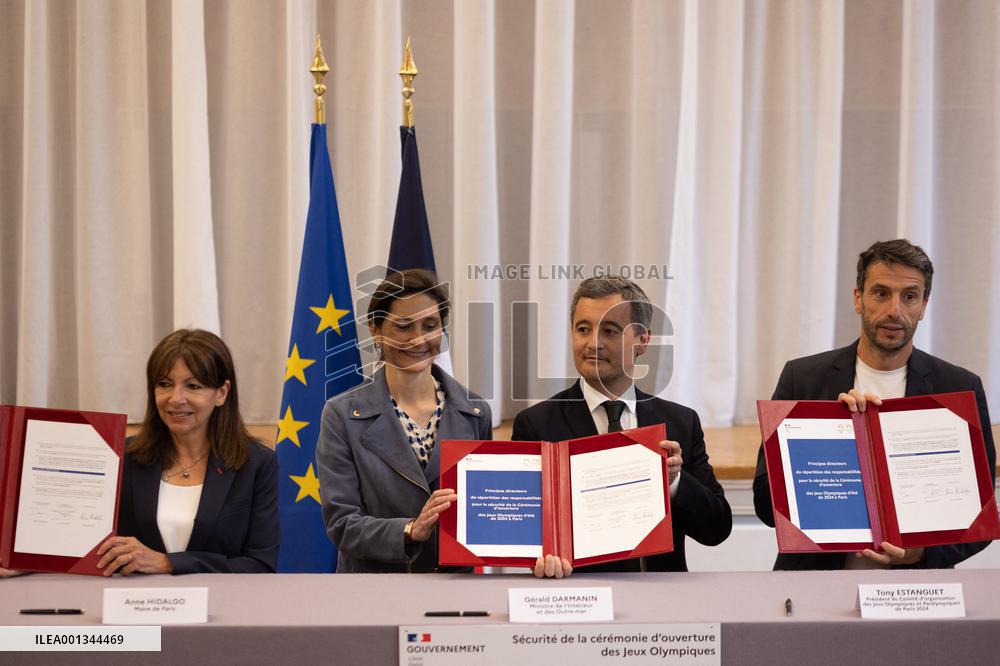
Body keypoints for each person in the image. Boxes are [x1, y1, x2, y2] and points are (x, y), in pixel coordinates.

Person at [753, 238, 996, 569]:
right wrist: (833, 437)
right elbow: (766, 507)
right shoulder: (803, 379)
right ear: (858, 299)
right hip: (816, 586)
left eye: (909, 296)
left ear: (924, 306)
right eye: (881, 293)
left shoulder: (958, 388)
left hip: (917, 592)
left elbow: (979, 517)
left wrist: (921, 553)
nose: (894, 310)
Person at [512, 276, 733, 572]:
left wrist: (675, 482)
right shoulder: (536, 424)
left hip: (661, 605)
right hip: (579, 600)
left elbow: (716, 530)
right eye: (583, 329)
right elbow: (521, 529)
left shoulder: (679, 422)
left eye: (610, 331)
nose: (593, 343)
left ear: (643, 341)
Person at [317, 269, 506, 573]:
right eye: (403, 326)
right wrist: (409, 530)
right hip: (374, 593)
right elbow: (342, 524)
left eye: (430, 325)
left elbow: (484, 510)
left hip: (454, 592)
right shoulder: (341, 415)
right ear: (376, 330)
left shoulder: (476, 412)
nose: (418, 339)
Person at [96, 329, 280, 575]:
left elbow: (260, 565)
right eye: (164, 384)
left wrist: (168, 563)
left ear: (222, 393)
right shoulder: (121, 456)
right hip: (135, 605)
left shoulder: (257, 463)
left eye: (193, 386)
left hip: (225, 606)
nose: (176, 398)